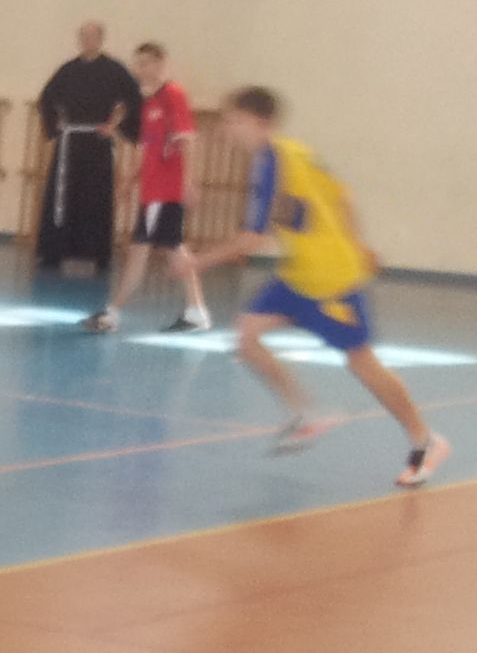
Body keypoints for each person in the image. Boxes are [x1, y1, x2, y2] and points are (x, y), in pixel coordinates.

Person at [192, 86, 449, 488]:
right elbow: (343, 198)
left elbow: (252, 239)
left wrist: (196, 262)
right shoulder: (298, 153)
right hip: (299, 274)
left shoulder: (273, 162)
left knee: (361, 363)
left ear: (262, 123)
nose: (227, 129)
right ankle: (306, 415)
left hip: (331, 280)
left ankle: (426, 440)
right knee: (247, 334)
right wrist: (359, 243)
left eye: (235, 121)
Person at [84, 41, 208, 334]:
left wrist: (188, 181)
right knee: (169, 249)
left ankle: (113, 314)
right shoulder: (149, 104)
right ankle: (195, 312)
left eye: (146, 63)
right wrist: (130, 180)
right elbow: (149, 150)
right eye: (137, 64)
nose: (140, 69)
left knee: (142, 250)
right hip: (151, 191)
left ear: (161, 63)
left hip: (164, 191)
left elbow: (186, 139)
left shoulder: (173, 95)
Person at [35, 20, 138, 273]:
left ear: (100, 39)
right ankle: (53, 252)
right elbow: (47, 98)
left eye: (92, 36)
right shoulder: (68, 70)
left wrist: (115, 125)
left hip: (98, 142)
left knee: (97, 197)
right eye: (83, 36)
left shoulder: (114, 70)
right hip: (70, 142)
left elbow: (134, 99)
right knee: (62, 196)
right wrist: (56, 124)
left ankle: (98, 254)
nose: (87, 41)